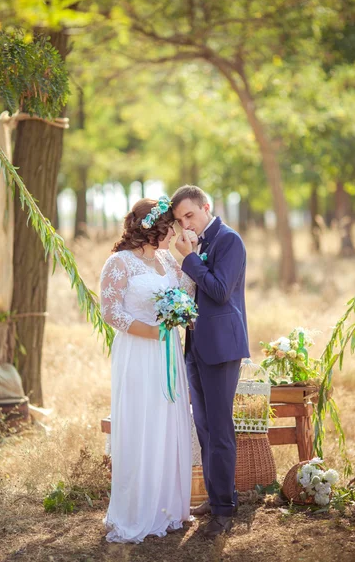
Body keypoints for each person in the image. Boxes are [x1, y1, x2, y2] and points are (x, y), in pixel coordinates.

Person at [100, 197, 196, 543]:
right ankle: (137, 510)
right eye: (170, 225)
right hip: (139, 354)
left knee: (167, 422)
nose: (175, 231)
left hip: (168, 354)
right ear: (153, 227)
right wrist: (153, 331)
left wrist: (187, 262)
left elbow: (186, 294)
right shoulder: (119, 263)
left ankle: (166, 509)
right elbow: (111, 312)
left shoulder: (169, 259)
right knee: (142, 423)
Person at [172, 185, 250, 539]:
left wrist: (189, 259)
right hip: (195, 347)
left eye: (189, 215)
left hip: (221, 348)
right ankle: (218, 496)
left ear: (206, 207)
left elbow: (219, 291)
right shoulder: (198, 243)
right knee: (203, 427)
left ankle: (223, 511)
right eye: (179, 220)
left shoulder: (229, 240)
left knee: (220, 429)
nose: (185, 224)